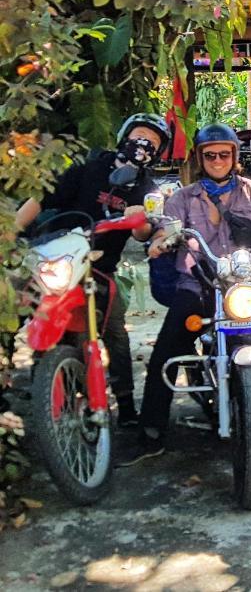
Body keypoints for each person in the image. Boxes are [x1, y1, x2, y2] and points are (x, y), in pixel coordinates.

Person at [116, 123, 251, 466]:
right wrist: (161, 241)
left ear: (234, 157)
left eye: (224, 154)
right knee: (167, 350)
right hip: (199, 283)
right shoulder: (181, 198)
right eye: (210, 155)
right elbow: (165, 229)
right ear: (201, 159)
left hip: (248, 287)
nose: (217, 160)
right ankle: (151, 431)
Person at [15, 113, 169, 427]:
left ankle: (125, 407)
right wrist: (10, 233)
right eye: (139, 136)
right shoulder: (90, 168)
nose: (144, 145)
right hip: (57, 260)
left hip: (101, 270)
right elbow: (41, 199)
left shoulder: (145, 186)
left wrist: (140, 219)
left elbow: (145, 233)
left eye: (152, 143)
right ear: (124, 136)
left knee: (114, 331)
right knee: (25, 309)